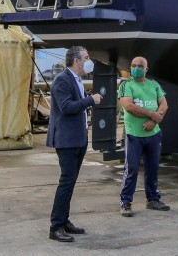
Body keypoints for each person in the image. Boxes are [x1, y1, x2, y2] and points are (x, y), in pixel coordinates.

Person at [47, 46, 103, 243]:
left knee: (70, 182)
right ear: (77, 61)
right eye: (86, 57)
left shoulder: (77, 80)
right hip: (66, 140)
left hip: (78, 139)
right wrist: (90, 100)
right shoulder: (62, 80)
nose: (89, 61)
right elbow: (67, 107)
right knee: (67, 181)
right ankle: (55, 227)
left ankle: (64, 220)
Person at [118, 56, 170, 217]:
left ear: (146, 69)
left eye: (140, 66)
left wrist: (154, 121)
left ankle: (153, 199)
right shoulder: (126, 85)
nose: (136, 68)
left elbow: (164, 104)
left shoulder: (154, 85)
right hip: (134, 134)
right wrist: (152, 115)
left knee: (152, 167)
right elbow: (128, 106)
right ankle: (125, 202)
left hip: (153, 134)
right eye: (133, 65)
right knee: (132, 168)